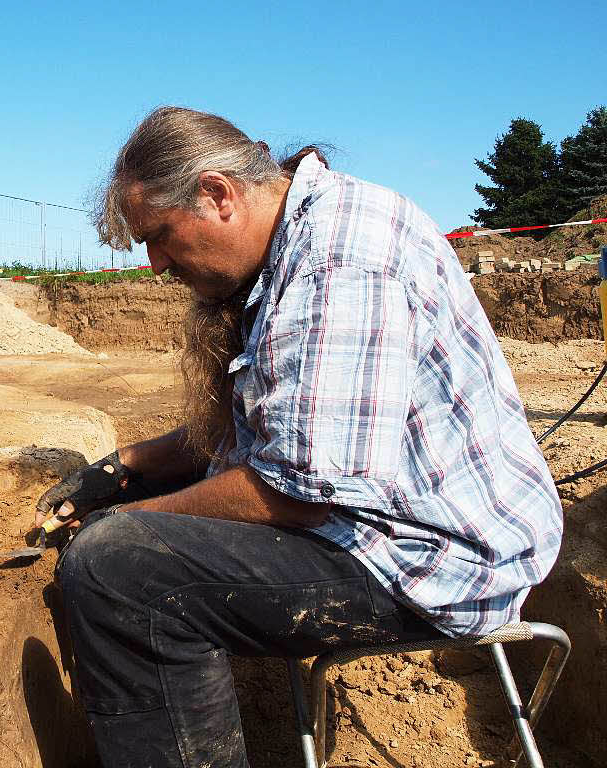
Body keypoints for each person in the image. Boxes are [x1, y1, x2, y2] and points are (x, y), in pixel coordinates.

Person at [34, 106, 562, 768]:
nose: (157, 263)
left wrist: (119, 517)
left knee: (117, 568)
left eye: (161, 235)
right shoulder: (298, 237)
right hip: (382, 519)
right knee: (149, 509)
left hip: (431, 557)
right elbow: (264, 432)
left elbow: (295, 493)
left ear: (218, 194)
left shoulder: (342, 257)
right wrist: (125, 466)